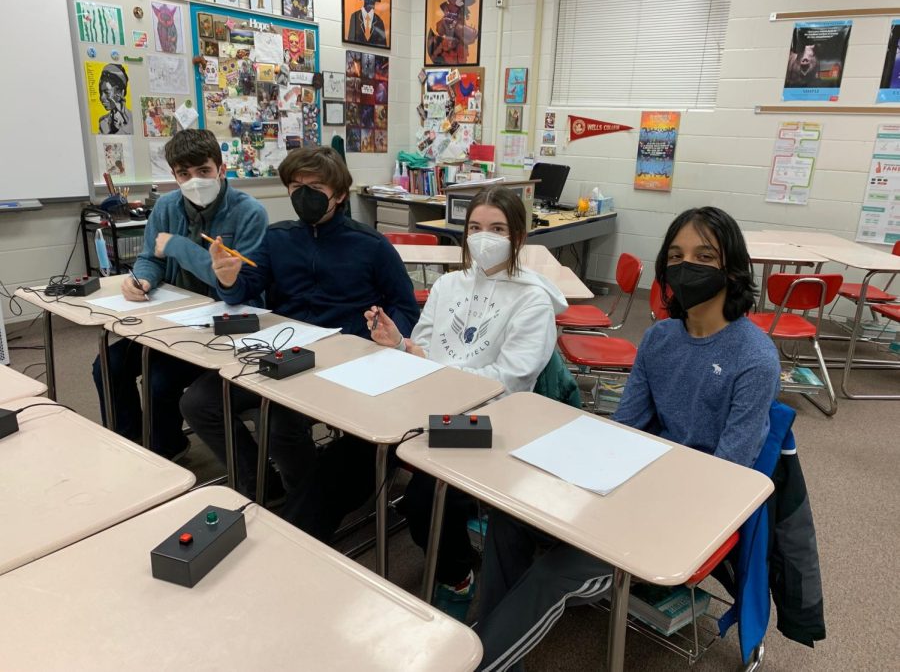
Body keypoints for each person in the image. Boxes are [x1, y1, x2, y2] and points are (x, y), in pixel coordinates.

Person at [474, 206, 781, 671]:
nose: (686, 266)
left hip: (684, 508)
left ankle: (477, 661)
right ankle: (488, 647)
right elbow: (625, 426)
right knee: (508, 515)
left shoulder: (754, 358)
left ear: (732, 269)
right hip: (628, 481)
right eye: (675, 255)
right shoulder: (659, 338)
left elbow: (726, 476)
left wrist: (637, 494)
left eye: (704, 255)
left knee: (554, 575)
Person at [280, 186, 568, 620]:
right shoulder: (450, 283)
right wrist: (399, 343)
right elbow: (428, 351)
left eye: (497, 229)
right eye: (474, 227)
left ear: (518, 237)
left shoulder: (533, 301)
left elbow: (509, 382)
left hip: (487, 419)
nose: (483, 237)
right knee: (344, 457)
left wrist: (430, 374)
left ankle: (456, 576)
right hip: (428, 402)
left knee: (426, 498)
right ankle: (290, 551)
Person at [180, 146, 420, 499]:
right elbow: (241, 292)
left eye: (316, 188)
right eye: (296, 186)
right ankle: (261, 482)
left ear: (338, 195)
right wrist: (228, 278)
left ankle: (310, 501)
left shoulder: (371, 245)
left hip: (344, 358)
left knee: (278, 423)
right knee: (198, 403)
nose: (304, 195)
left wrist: (387, 339)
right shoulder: (277, 238)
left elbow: (405, 305)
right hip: (283, 351)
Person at [91, 129, 267, 460]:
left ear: (221, 169)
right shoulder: (168, 207)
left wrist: (179, 246)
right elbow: (149, 258)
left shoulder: (249, 212)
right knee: (107, 366)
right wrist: (142, 280)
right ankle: (128, 444)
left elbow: (232, 286)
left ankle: (167, 450)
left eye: (203, 171)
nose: (194, 180)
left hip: (225, 324)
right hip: (172, 316)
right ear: (173, 175)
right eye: (184, 174)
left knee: (160, 381)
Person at [98, 64, 133, 135]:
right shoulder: (103, 122)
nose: (102, 98)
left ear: (120, 93)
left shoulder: (134, 119)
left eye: (107, 92)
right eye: (101, 92)